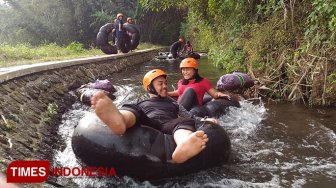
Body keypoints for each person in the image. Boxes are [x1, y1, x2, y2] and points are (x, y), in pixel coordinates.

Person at [91, 69, 217, 164]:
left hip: (169, 124)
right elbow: (137, 113)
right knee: (133, 109)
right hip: (149, 123)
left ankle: (184, 144)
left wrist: (205, 120)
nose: (165, 86)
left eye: (165, 83)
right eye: (160, 84)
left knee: (185, 121)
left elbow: (190, 116)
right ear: (149, 87)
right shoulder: (142, 102)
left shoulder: (173, 103)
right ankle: (120, 120)